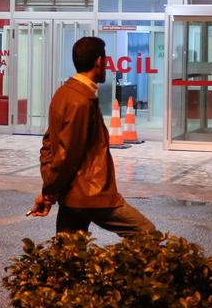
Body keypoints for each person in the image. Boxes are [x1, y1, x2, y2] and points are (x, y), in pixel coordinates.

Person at [31, 36, 156, 237]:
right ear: (99, 62)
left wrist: (49, 192)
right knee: (147, 233)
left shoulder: (64, 93)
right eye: (105, 61)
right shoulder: (81, 101)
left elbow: (49, 144)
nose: (107, 66)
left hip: (72, 195)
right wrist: (48, 192)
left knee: (68, 252)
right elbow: (66, 156)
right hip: (90, 194)